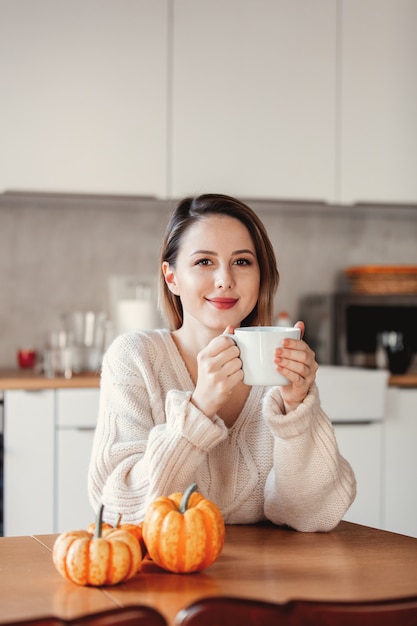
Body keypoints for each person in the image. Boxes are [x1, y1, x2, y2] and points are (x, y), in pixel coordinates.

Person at [88, 194, 356, 532]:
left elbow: (312, 514)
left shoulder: (277, 367)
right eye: (204, 262)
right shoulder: (134, 357)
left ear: (262, 276)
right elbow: (116, 510)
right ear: (172, 278)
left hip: (272, 575)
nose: (225, 280)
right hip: (168, 573)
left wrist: (297, 410)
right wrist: (198, 410)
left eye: (242, 262)